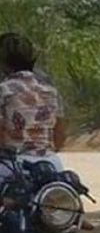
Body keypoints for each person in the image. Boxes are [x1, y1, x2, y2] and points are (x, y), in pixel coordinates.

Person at [0, 33, 66, 181]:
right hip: (51, 164)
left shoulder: (3, 91)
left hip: (13, 166)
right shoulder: (50, 91)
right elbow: (60, 137)